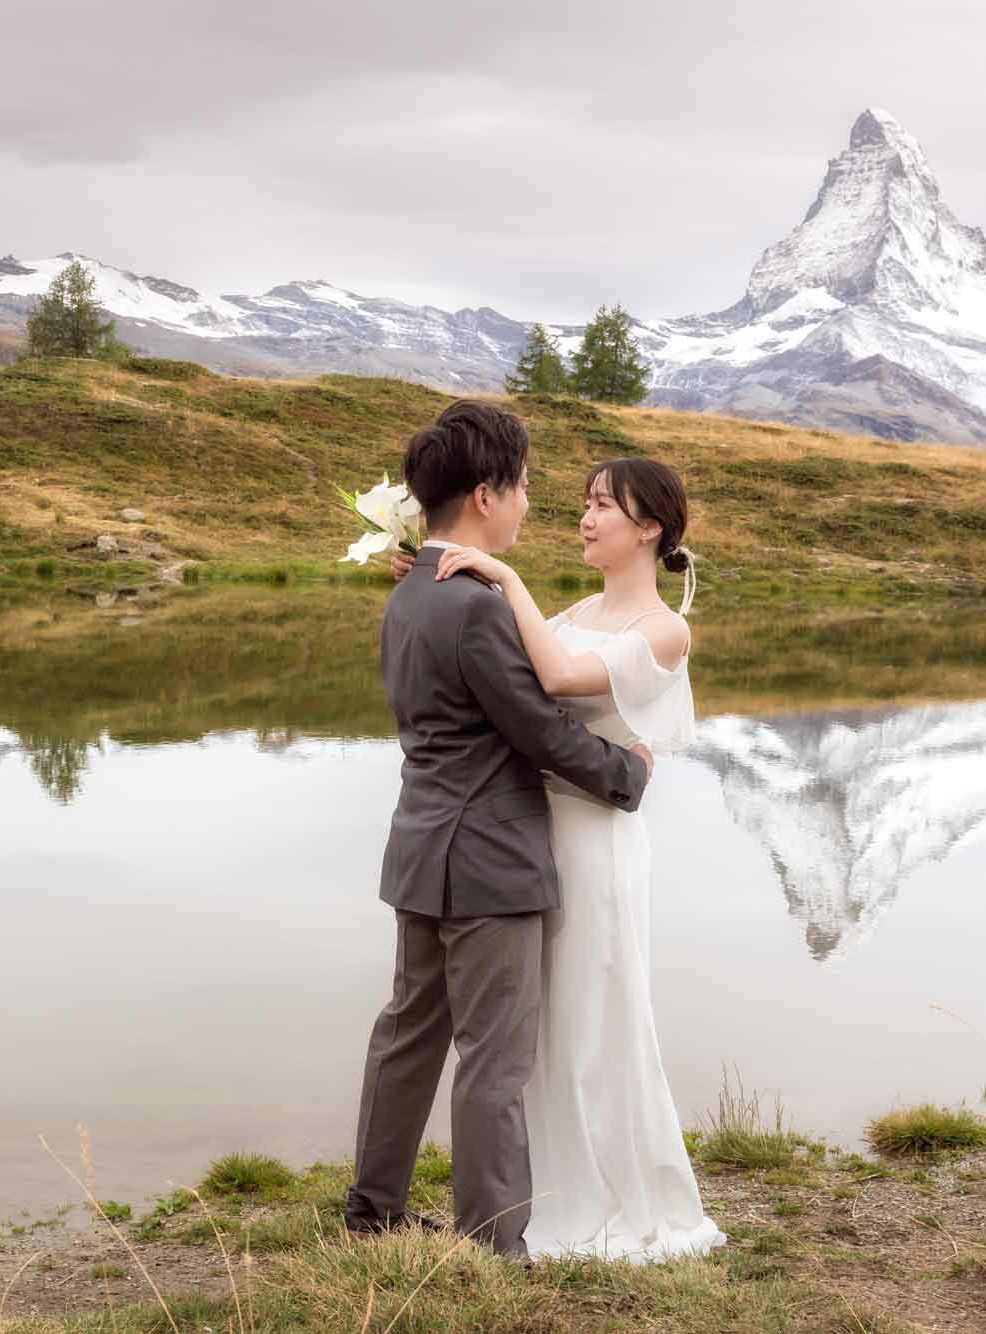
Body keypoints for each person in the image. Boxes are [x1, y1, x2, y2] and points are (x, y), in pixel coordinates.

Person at [397, 454, 726, 1263]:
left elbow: (557, 674)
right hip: (530, 834)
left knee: (592, 1016)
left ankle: (606, 1195)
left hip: (595, 840)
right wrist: (434, 578)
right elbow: (507, 678)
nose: (585, 518)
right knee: (532, 1030)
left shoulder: (664, 627)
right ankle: (532, 1192)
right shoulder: (580, 604)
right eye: (582, 503)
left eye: (603, 507)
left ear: (649, 527)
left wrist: (503, 579)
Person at [342, 400, 653, 1259]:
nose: (528, 506)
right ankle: (493, 1244)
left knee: (408, 1033)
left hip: (420, 846)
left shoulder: (410, 589)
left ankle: (372, 1212)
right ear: (485, 494)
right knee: (494, 1057)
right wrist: (628, 773)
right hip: (490, 862)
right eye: (521, 489)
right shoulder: (474, 605)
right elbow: (538, 729)